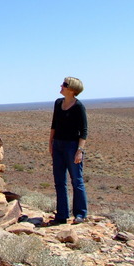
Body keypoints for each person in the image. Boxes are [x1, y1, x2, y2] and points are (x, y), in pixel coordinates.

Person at [48, 77, 88, 225]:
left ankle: (80, 214)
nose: (61, 86)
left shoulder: (79, 107)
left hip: (72, 146)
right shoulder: (58, 103)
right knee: (59, 181)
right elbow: (54, 124)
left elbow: (84, 131)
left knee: (76, 180)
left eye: (64, 84)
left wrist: (80, 150)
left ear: (72, 89)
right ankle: (61, 215)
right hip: (58, 145)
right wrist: (51, 142)